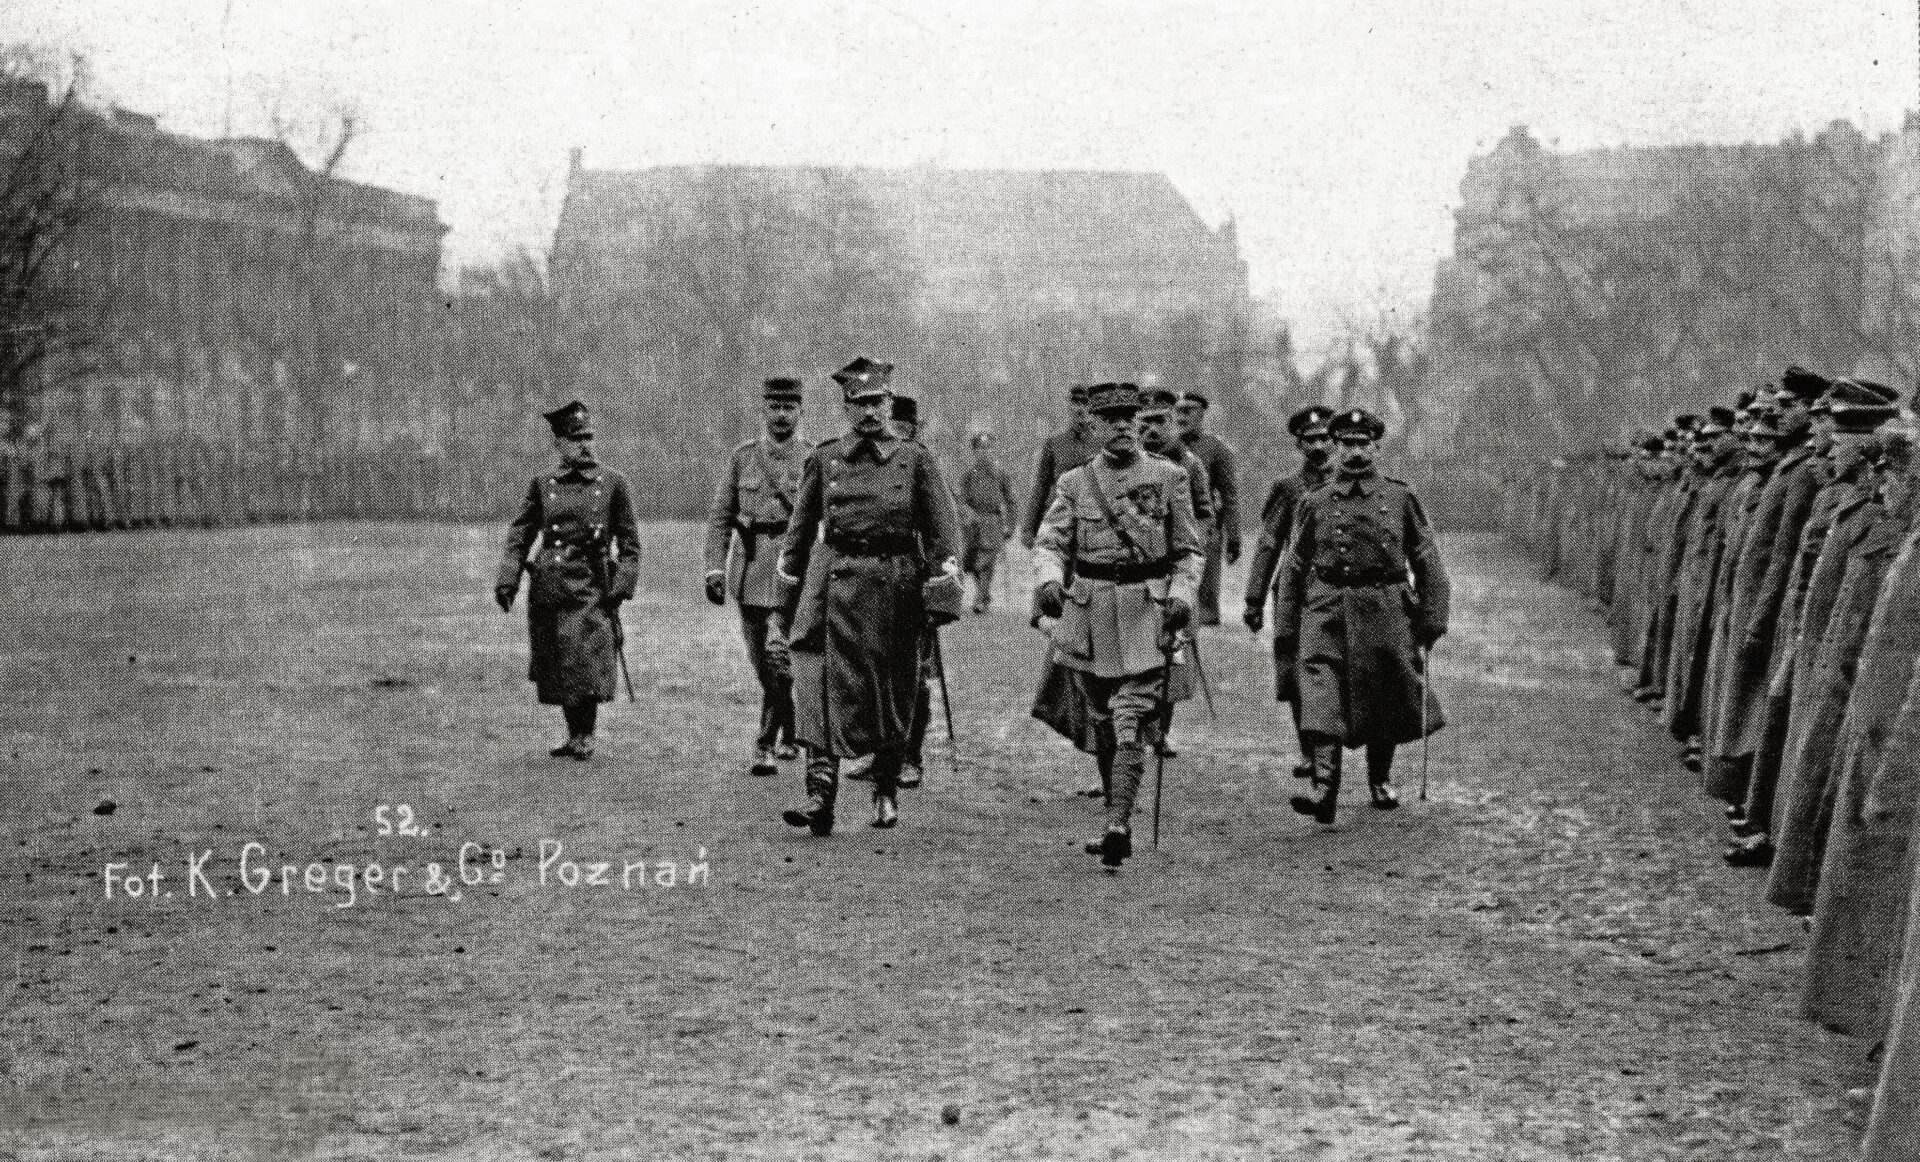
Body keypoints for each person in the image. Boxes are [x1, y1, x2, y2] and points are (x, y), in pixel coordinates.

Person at [777, 358, 961, 834]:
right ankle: (820, 795)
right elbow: (799, 533)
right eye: (859, 403)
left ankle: (885, 786)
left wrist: (941, 594)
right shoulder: (825, 460)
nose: (870, 412)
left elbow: (942, 531)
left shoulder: (915, 459)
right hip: (833, 580)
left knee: (893, 691)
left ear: (889, 403)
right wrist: (787, 595)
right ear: (846, 407)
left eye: (877, 402)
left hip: (894, 586)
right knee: (818, 683)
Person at [1030, 382, 1204, 868]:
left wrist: (1182, 595)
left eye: (1130, 417)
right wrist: (1048, 581)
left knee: (1130, 714)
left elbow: (1189, 551)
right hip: (1090, 615)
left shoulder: (1169, 477)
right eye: (1111, 419)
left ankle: (1117, 824)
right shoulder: (1074, 483)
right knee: (1102, 718)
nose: (1123, 426)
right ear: (1093, 426)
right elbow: (1050, 543)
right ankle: (1115, 808)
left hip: (1148, 611)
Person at [1273, 407, 1448, 824]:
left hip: (1385, 607)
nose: (1355, 452)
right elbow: (1295, 565)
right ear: (1335, 446)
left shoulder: (1400, 498)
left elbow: (1426, 557)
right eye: (1347, 444)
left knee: (1385, 694)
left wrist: (1432, 617)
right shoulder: (1314, 501)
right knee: (1319, 692)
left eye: (1363, 444)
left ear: (1376, 447)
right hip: (1326, 608)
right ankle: (1324, 788)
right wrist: (1286, 625)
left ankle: (1379, 778)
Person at [494, 401, 642, 760]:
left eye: (588, 437)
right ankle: (574, 733)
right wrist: (508, 578)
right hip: (549, 584)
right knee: (558, 660)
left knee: (585, 658)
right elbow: (521, 532)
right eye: (576, 440)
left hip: (592, 585)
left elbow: (630, 544)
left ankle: (586, 733)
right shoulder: (543, 484)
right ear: (559, 443)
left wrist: (620, 587)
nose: (584, 446)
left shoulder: (613, 483)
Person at [703, 376, 808, 777]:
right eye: (774, 407)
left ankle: (764, 744)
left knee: (780, 659)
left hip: (792, 573)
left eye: (789, 408)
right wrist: (715, 568)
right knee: (762, 664)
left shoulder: (813, 458)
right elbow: (721, 517)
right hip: (750, 570)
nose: (781, 415)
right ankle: (790, 725)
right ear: (763, 410)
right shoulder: (743, 458)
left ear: (800, 411)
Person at [1244, 404, 1335, 782]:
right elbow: (1269, 543)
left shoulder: (1349, 485)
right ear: (1298, 444)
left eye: (1324, 438)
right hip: (1295, 593)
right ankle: (1310, 752)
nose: (1318, 446)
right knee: (1298, 673)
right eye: (1309, 440)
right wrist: (1254, 599)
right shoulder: (1288, 488)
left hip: (1338, 590)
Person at [1176, 390, 1241, 626]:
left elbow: (1230, 496)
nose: (1181, 417)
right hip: (1171, 523)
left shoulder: (1217, 448)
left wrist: (1234, 538)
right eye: (1177, 411)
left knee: (1205, 594)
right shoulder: (1165, 447)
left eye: (1187, 411)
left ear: (1201, 414)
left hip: (1205, 526)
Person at [1020, 384, 1101, 549]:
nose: (1080, 408)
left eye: (1084, 403)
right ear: (1069, 407)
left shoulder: (1102, 443)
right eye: (1075, 403)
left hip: (1092, 521)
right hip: (1059, 520)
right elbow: (1041, 486)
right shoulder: (1054, 442)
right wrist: (1029, 528)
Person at [957, 431, 1016, 614]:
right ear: (974, 451)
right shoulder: (968, 475)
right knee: (973, 562)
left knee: (986, 561)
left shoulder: (1001, 474)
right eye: (981, 448)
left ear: (993, 450)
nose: (985, 452)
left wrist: (1010, 525)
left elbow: (1011, 500)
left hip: (993, 522)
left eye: (988, 448)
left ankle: (981, 599)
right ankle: (983, 595)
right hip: (973, 524)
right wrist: (967, 513)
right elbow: (961, 501)